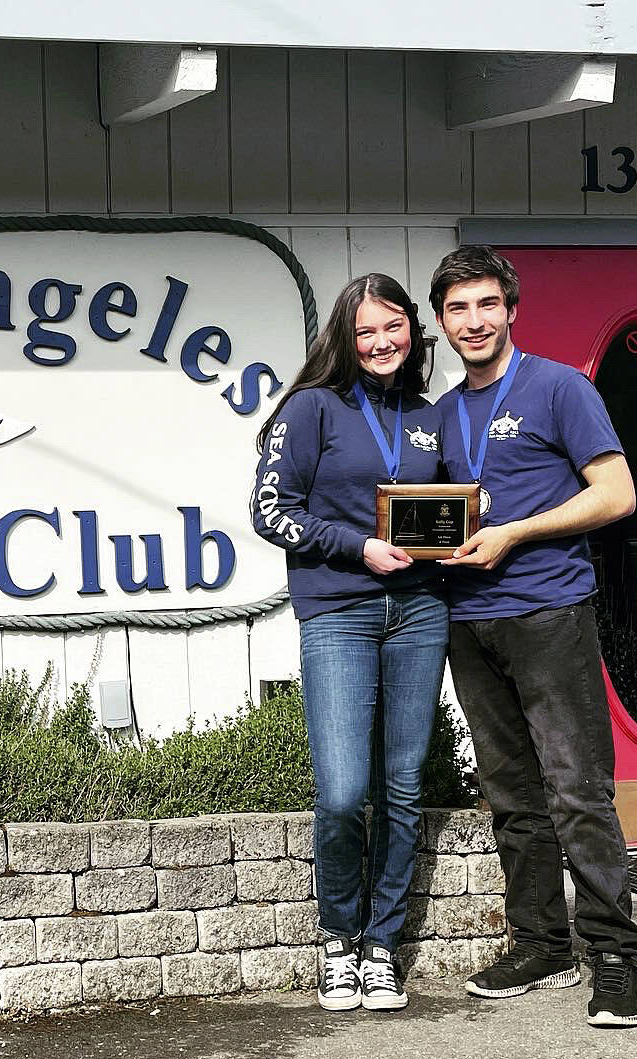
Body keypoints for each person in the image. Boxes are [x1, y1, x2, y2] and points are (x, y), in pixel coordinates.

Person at [431, 244, 637, 1027]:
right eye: (458, 308)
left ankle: (617, 957)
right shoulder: (444, 414)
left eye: (487, 303)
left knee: (578, 791)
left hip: (551, 614)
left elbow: (617, 494)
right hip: (468, 621)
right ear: (443, 321)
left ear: (511, 309)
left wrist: (516, 533)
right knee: (514, 798)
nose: (475, 320)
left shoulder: (560, 387)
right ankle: (540, 942)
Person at [251, 274, 448, 1012]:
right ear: (344, 336)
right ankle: (338, 939)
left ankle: (380, 948)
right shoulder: (311, 408)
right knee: (342, 793)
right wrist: (355, 546)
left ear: (412, 330)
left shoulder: (429, 417)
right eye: (365, 330)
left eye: (392, 326)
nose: (380, 342)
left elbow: (448, 505)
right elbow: (270, 509)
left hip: (422, 614)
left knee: (402, 788)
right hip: (339, 613)